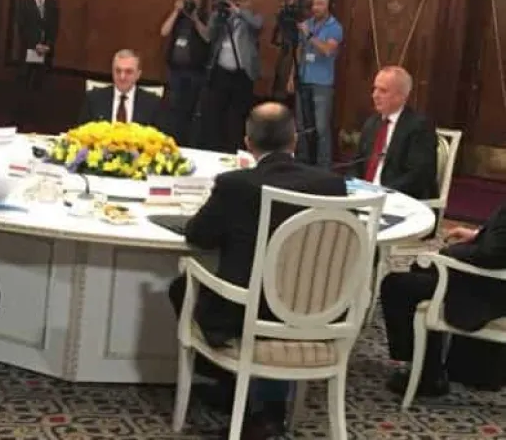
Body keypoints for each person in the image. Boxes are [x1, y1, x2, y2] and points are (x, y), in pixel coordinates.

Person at [167, 102, 347, 437]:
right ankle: (246, 395)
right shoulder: (332, 185)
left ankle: (242, 392)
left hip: (249, 313)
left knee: (183, 287)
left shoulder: (236, 185)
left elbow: (198, 235)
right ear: (295, 139)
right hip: (317, 313)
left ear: (248, 143)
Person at [381, 208, 506, 396]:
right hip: (491, 282)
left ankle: (426, 374)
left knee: (396, 285)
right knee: (422, 269)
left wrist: (449, 253)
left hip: (485, 291)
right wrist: (476, 235)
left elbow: (493, 255)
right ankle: (431, 365)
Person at [352, 66, 437, 200]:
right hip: (365, 196)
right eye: (374, 89)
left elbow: (419, 175)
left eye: (383, 91)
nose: (375, 95)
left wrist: (382, 192)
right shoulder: (372, 123)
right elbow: (356, 164)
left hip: (400, 198)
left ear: (402, 96)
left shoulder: (419, 127)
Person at [200, 0, 263, 153]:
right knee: (215, 113)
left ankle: (235, 150)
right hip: (221, 72)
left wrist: (239, 12)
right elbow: (209, 35)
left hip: (242, 74)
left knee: (237, 116)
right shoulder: (223, 17)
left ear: (248, 2)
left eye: (240, 0)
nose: (236, 3)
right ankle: (214, 149)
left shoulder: (253, 17)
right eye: (234, 0)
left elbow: (257, 25)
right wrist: (218, 15)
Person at [292, 0, 343, 168]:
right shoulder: (307, 24)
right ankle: (302, 160)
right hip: (303, 78)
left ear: (329, 7)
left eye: (321, 4)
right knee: (301, 124)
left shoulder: (335, 27)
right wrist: (292, 76)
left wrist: (309, 35)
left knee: (321, 126)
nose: (316, 8)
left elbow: (328, 50)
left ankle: (323, 165)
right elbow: (299, 50)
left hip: (322, 83)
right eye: (314, 4)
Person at [159, 0, 209, 146]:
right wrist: (176, 11)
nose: (192, 2)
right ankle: (172, 140)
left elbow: (208, 37)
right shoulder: (178, 17)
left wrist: (195, 19)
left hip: (194, 72)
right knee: (173, 108)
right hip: (175, 71)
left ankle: (186, 142)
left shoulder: (205, 16)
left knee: (190, 109)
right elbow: (164, 31)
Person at [78, 49, 163, 129]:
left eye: (128, 72)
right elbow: (81, 133)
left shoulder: (153, 103)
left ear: (138, 74)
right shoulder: (94, 98)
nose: (122, 77)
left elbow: (160, 137)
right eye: (118, 71)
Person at [15, 0, 60, 93]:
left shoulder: (52, 5)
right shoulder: (24, 3)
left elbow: (54, 27)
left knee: (41, 86)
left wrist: (48, 45)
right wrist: (35, 45)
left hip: (46, 52)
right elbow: (22, 27)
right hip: (29, 49)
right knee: (25, 85)